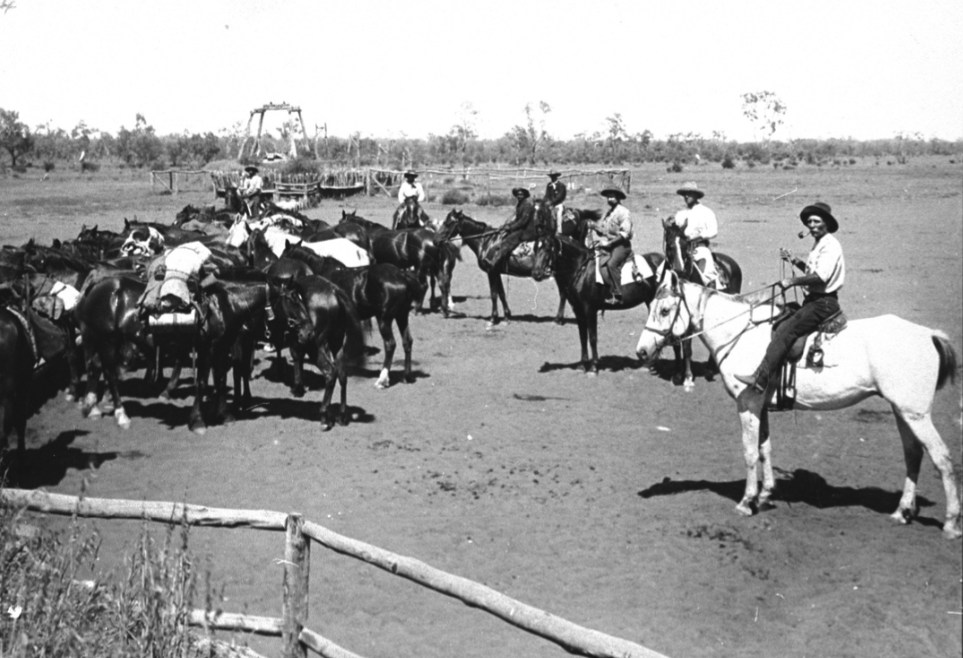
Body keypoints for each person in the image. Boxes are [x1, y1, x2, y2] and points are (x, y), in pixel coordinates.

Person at [735, 202, 845, 393]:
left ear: (826, 223)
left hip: (823, 303)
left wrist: (792, 282)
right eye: (809, 222)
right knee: (782, 315)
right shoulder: (819, 244)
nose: (811, 225)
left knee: (787, 330)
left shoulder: (831, 246)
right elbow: (813, 271)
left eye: (816, 221)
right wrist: (793, 260)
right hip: (814, 300)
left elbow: (821, 277)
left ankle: (760, 378)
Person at [667, 181, 720, 286]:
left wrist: (699, 236)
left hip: (699, 248)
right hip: (681, 249)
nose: (686, 196)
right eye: (684, 194)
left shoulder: (706, 212)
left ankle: (713, 290)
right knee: (664, 271)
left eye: (690, 193)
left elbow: (713, 231)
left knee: (708, 274)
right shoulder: (680, 214)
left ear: (696, 196)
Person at [587, 188, 633, 303]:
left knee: (612, 264)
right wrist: (595, 227)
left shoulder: (623, 212)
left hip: (621, 245)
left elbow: (625, 234)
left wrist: (609, 243)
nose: (609, 199)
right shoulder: (609, 213)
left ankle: (618, 294)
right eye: (608, 197)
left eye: (612, 197)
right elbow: (604, 231)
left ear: (618, 198)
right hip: (610, 244)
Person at [486, 187, 537, 270]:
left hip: (527, 230)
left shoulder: (527, 205)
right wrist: (506, 226)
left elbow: (523, 221)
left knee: (508, 240)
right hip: (522, 228)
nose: (519, 196)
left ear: (524, 195)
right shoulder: (520, 205)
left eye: (521, 194)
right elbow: (517, 219)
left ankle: (495, 261)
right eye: (518, 194)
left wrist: (510, 227)